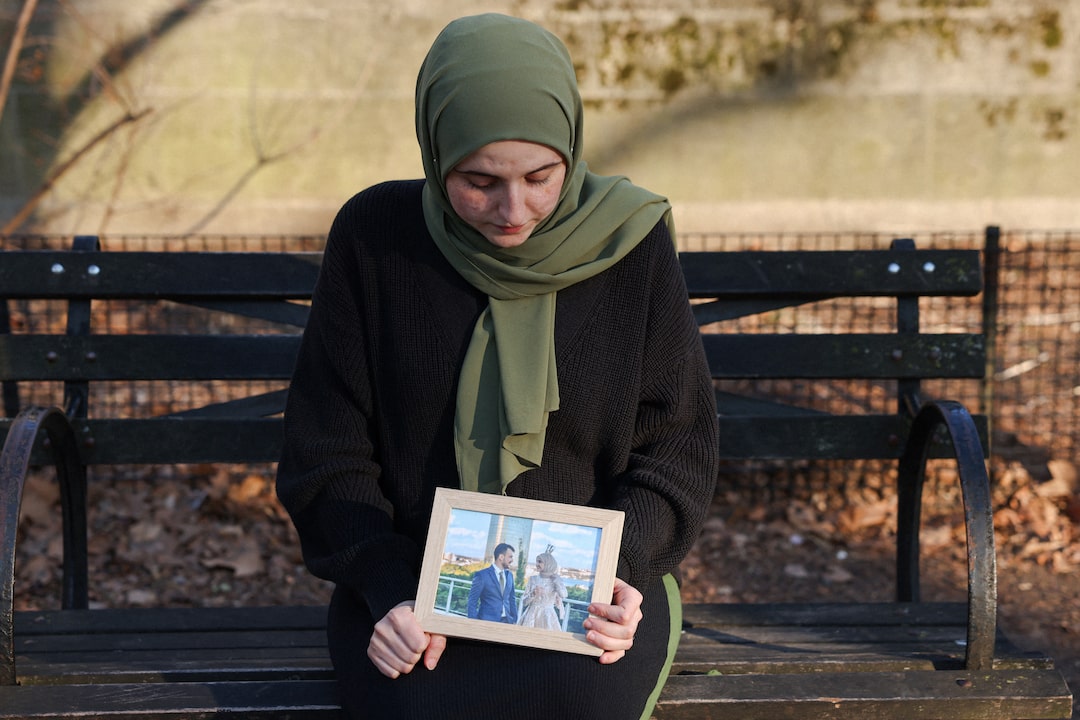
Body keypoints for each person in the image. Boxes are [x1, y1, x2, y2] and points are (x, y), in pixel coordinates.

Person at [276, 12, 718, 720]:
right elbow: (326, 453)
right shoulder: (376, 239)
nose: (515, 211)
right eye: (478, 181)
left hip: (591, 595)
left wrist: (623, 570)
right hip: (415, 593)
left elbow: (677, 448)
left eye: (542, 176)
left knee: (575, 704)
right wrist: (388, 587)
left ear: (572, 149)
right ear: (433, 151)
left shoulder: (631, 244)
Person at [466, 542, 518, 622]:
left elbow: (512, 598)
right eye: (510, 557)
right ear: (501, 557)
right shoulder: (482, 575)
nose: (512, 560)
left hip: (507, 622)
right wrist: (474, 623)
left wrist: (514, 619)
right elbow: (472, 601)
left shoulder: (510, 575)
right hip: (487, 621)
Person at [518, 548, 567, 631]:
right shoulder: (532, 579)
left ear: (548, 563)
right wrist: (533, 594)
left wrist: (557, 581)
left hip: (548, 617)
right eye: (537, 561)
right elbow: (524, 602)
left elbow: (564, 595)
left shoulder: (555, 580)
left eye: (540, 562)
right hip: (530, 615)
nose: (537, 564)